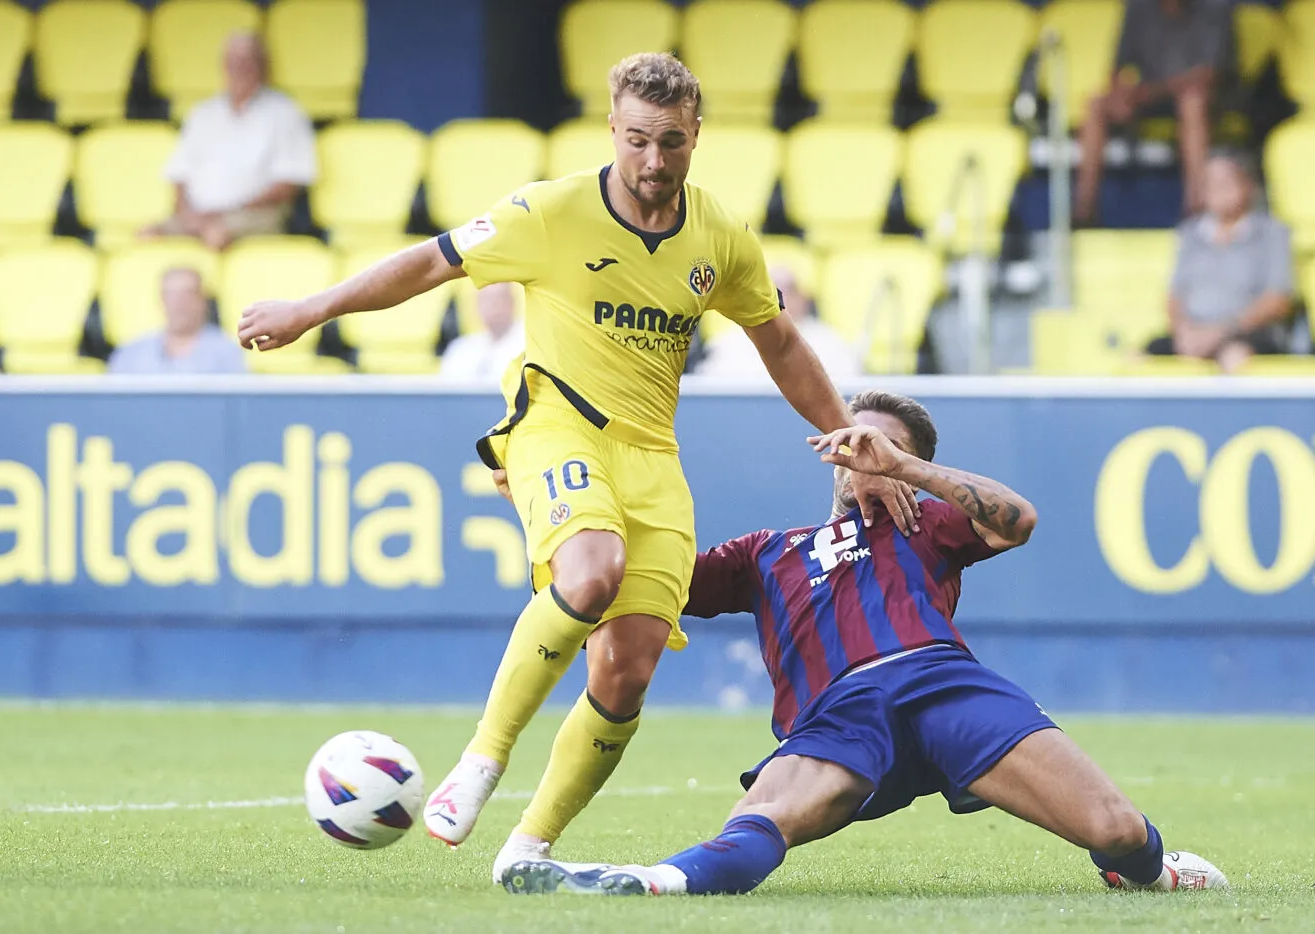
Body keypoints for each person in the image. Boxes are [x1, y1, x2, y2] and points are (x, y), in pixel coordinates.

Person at [234, 52, 920, 883]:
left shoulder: (720, 238)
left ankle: (530, 847)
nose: (653, 162)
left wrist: (851, 436)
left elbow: (778, 342)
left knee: (625, 670)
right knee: (591, 571)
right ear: (612, 130)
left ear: (696, 134)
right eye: (637, 141)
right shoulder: (550, 212)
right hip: (556, 424)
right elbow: (429, 262)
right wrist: (313, 308)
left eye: (670, 142)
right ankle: (481, 762)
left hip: (652, 458)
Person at [499, 390, 1230, 898]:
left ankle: (1149, 873)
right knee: (753, 829)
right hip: (838, 716)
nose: (860, 451)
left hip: (942, 683)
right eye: (849, 438)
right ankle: (648, 881)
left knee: (1120, 831)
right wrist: (551, 508)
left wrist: (905, 471)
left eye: (879, 444)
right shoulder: (769, 552)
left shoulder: (928, 526)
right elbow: (647, 582)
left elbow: (1019, 520)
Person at [142, 33, 316, 251]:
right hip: (198, 214)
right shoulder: (202, 113)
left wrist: (223, 213)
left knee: (216, 236)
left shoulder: (286, 113)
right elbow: (179, 176)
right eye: (232, 60)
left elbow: (285, 187)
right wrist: (189, 215)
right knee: (146, 237)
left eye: (247, 60)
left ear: (263, 65)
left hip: (255, 215)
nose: (239, 68)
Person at [1075, 0, 1233, 223]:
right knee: (1095, 105)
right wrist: (1121, 94)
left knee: (1192, 102)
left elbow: (1209, 75)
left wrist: (1151, 91)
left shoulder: (1215, 7)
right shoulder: (1139, 7)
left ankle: (1197, 208)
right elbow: (1119, 65)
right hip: (1150, 95)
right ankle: (1084, 211)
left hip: (1209, 101)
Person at [1146, 152, 1294, 373]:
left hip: (1248, 332)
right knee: (1140, 358)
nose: (1218, 190)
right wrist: (1183, 332)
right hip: (1193, 332)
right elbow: (1174, 295)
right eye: (1210, 183)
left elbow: (1277, 301)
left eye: (1226, 181)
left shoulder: (1272, 233)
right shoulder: (1190, 234)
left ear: (1248, 185)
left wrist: (1222, 331)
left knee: (1234, 358)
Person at [697, 264, 859, 384]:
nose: (779, 299)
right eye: (770, 291)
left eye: (787, 291)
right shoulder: (727, 343)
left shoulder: (830, 342)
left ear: (802, 299)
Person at [108, 267, 245, 374]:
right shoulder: (131, 353)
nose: (179, 303)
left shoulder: (227, 352)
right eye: (171, 295)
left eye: (187, 294)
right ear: (161, 299)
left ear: (203, 300)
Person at [438, 283, 525, 383]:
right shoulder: (461, 349)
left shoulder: (529, 347)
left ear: (512, 302)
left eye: (500, 299)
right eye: (487, 300)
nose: (494, 306)